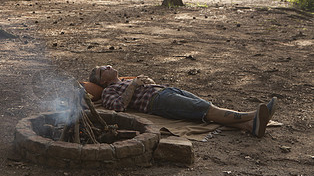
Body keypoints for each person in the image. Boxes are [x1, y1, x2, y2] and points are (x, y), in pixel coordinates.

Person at [89, 66, 277, 138]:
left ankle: (250, 126)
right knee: (205, 109)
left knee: (203, 107)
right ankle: (255, 114)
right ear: (103, 81)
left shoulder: (124, 81)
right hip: (158, 101)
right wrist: (135, 85)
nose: (108, 66)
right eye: (102, 69)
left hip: (165, 91)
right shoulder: (109, 91)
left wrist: (145, 83)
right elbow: (119, 107)